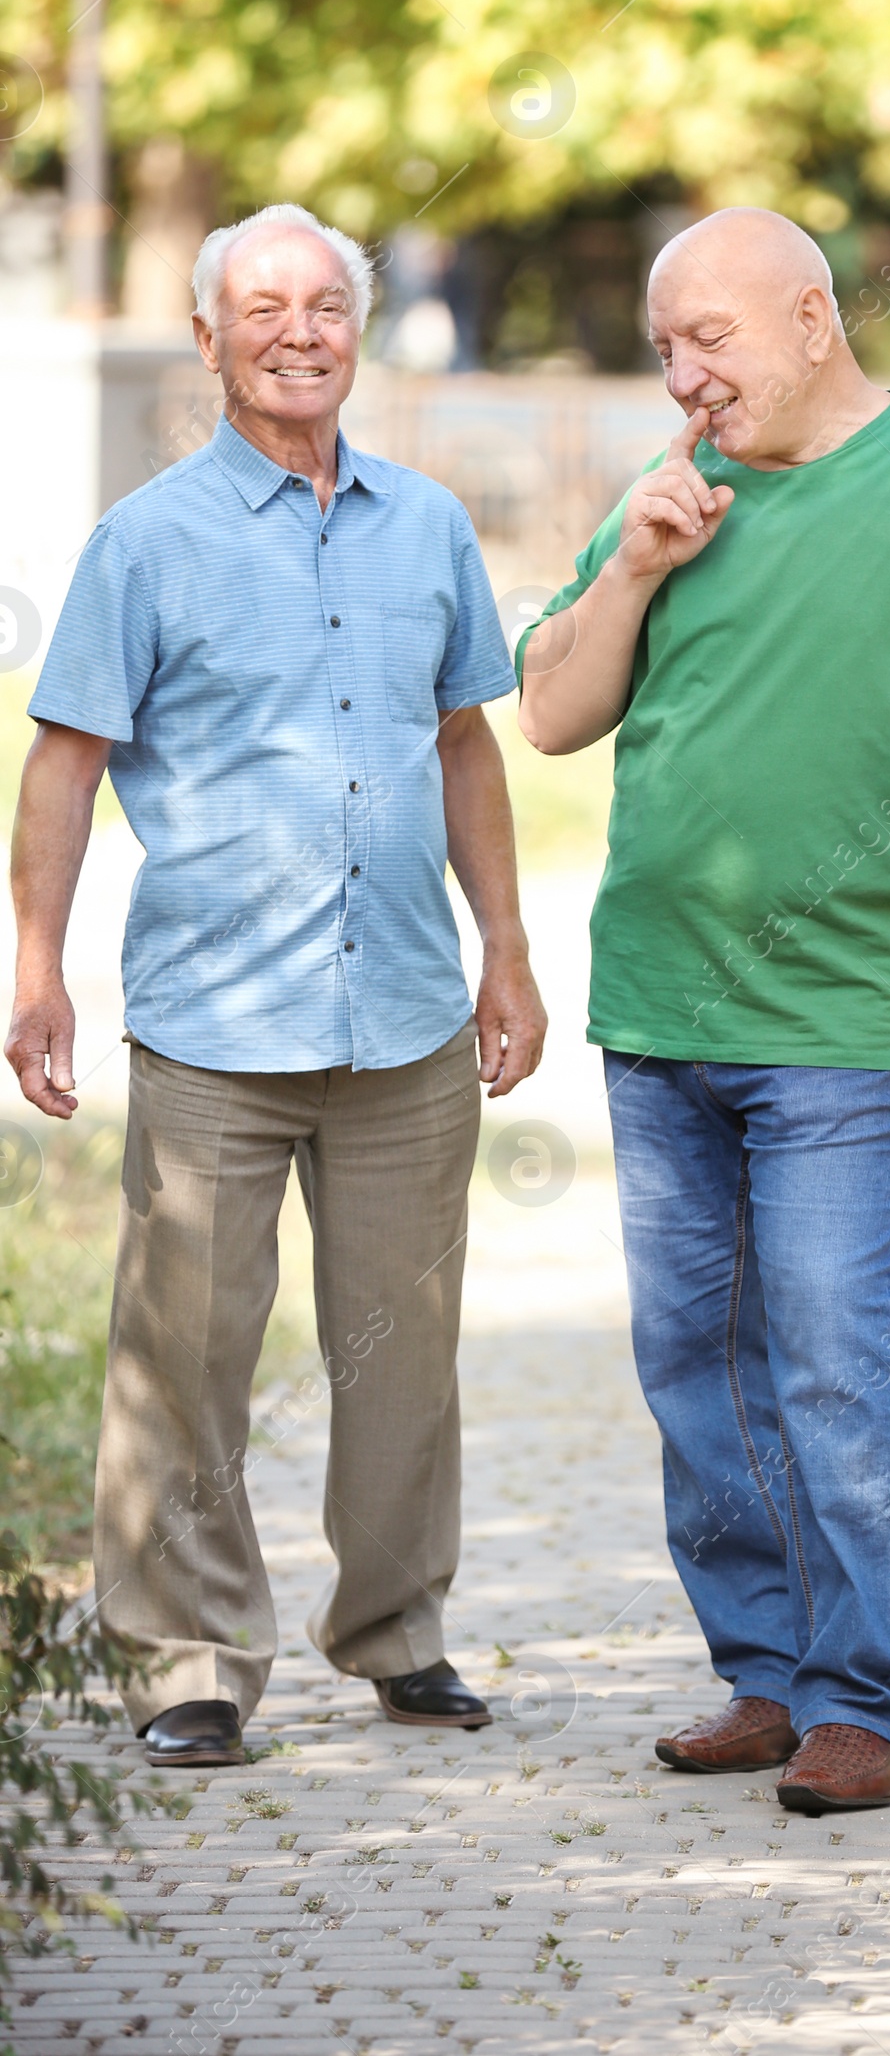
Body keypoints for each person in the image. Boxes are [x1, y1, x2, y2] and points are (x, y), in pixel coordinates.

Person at [517, 208, 890, 1814]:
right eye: (664, 349)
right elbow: (551, 709)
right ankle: (762, 1672)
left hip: (846, 1014)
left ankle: (860, 1700)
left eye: (712, 340)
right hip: (661, 1000)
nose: (685, 377)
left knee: (833, 1346)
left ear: (816, 317)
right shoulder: (672, 499)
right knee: (697, 1354)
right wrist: (633, 561)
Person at [6, 204, 546, 1768]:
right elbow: (65, 760)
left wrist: (504, 942)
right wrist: (34, 965)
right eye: (264, 306)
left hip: (408, 1020)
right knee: (183, 1361)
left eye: (326, 304)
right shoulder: (149, 539)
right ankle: (188, 1659)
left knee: (405, 1348)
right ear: (209, 338)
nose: (298, 329)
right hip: (213, 1024)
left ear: (356, 332)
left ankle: (397, 1631)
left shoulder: (430, 525)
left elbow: (465, 742)